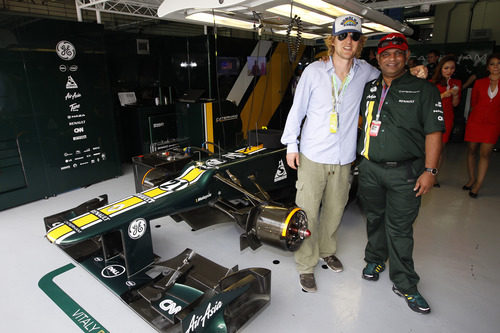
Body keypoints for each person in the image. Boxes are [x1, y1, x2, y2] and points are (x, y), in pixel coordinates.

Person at [280, 14, 380, 293]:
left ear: (360, 43)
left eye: (355, 37)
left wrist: (415, 73)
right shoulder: (314, 71)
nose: (349, 41)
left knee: (335, 210)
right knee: (308, 212)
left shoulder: (368, 73)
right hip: (312, 154)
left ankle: (326, 250)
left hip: (344, 157)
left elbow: (390, 79)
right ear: (332, 40)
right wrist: (291, 144)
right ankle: (305, 264)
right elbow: (297, 109)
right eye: (343, 36)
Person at [357, 33, 444, 314]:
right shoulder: (370, 88)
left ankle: (405, 283)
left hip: (406, 173)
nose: (391, 58)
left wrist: (430, 170)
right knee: (374, 218)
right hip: (370, 170)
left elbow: (434, 132)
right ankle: (375, 258)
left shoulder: (424, 90)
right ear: (377, 58)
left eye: (398, 53)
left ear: (407, 58)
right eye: (385, 54)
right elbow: (364, 122)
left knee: (400, 228)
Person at [463, 53, 500, 198]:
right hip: (476, 122)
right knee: (471, 150)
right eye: (492, 64)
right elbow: (473, 103)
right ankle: (472, 178)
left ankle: (478, 184)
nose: (496, 66)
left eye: (498, 63)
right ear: (488, 67)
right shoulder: (479, 83)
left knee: (485, 154)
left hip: (493, 124)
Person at [430, 55, 462, 186]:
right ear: (441, 69)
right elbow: (429, 102)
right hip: (432, 118)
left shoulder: (457, 83)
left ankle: (434, 175)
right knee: (430, 147)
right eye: (446, 68)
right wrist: (443, 95)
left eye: (452, 68)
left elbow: (455, 104)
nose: (449, 71)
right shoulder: (432, 83)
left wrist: (454, 95)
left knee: (441, 148)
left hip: (447, 118)